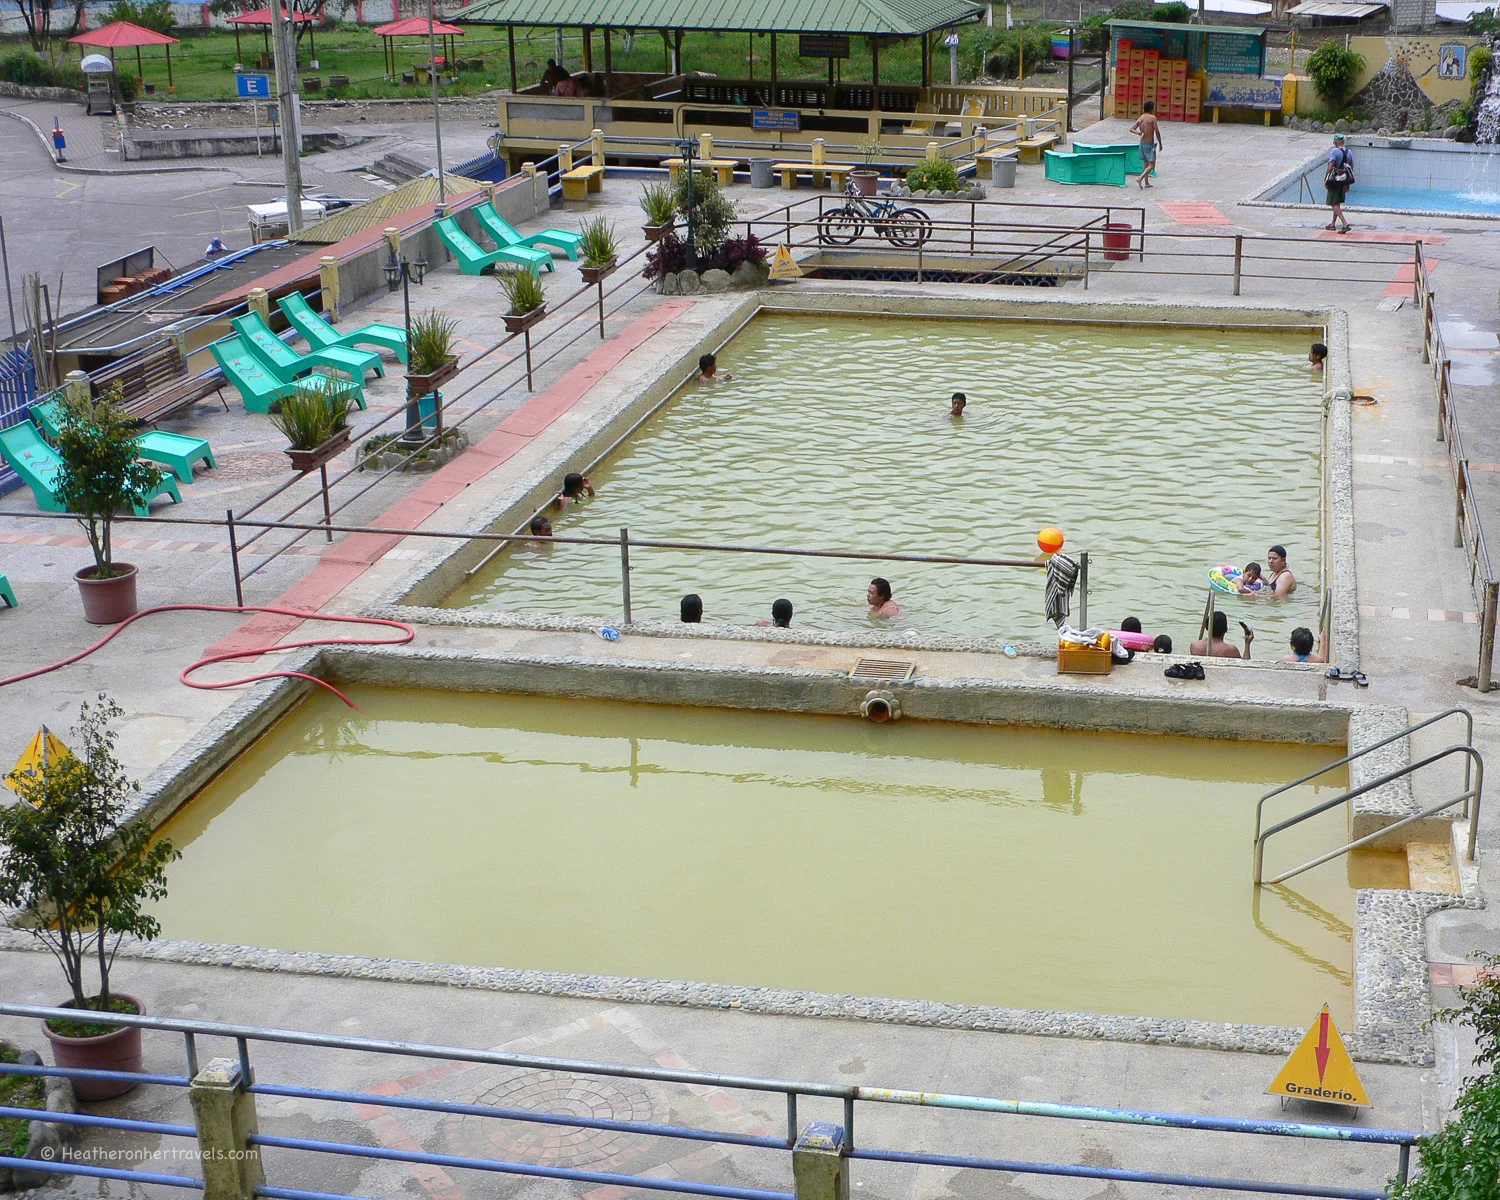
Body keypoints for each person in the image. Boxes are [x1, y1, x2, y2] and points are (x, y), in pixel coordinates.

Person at [1325, 134, 1354, 234]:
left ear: (1335, 142)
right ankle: (1332, 224)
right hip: (1344, 180)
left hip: (1335, 180)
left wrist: (1326, 178)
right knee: (1337, 202)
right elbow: (1351, 167)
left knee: (1333, 203)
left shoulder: (1334, 151)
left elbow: (1331, 165)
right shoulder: (1349, 152)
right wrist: (1348, 183)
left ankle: (1345, 224)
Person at [1129, 101, 1162, 190]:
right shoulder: (1152, 118)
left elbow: (1132, 129)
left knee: (1146, 163)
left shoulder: (1141, 118)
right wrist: (1160, 143)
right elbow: (1157, 131)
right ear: (1151, 109)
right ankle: (1140, 178)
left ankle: (1146, 183)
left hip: (1142, 143)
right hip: (1149, 144)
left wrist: (1139, 133)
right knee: (1152, 165)